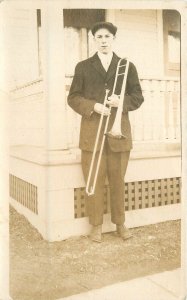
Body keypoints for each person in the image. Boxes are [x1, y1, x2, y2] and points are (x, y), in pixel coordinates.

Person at [68, 22, 144, 243]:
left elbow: (137, 96)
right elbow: (73, 97)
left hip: (118, 135)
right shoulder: (82, 67)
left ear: (113, 39)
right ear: (94, 39)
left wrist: (121, 101)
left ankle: (120, 224)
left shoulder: (126, 65)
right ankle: (96, 226)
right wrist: (93, 106)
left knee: (118, 180)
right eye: (99, 36)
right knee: (95, 181)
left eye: (107, 36)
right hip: (92, 134)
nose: (103, 40)